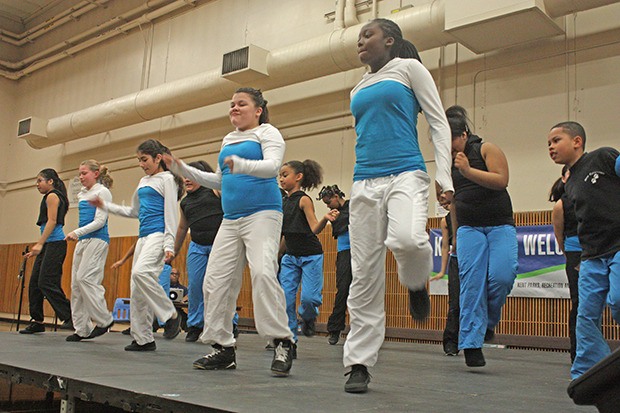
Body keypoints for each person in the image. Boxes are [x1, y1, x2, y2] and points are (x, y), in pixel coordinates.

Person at [343, 18, 454, 393]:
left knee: (408, 241)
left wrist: (445, 177)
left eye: (368, 34)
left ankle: (414, 280)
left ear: (390, 40)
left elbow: (438, 123)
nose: (360, 40)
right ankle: (358, 362)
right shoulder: (358, 86)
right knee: (365, 273)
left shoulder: (409, 69)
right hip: (363, 182)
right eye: (358, 36)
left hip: (406, 172)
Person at [165, 87, 295, 377]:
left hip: (263, 213)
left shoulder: (268, 133)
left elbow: (272, 166)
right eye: (232, 105)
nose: (234, 108)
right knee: (214, 282)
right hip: (232, 218)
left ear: (258, 110)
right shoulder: (228, 139)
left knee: (262, 272)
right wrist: (182, 168)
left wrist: (242, 164)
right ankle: (223, 348)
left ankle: (282, 341)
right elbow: (220, 180)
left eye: (241, 104)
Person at [91, 139, 182, 351]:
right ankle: (143, 339)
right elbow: (133, 211)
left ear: (158, 158)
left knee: (142, 273)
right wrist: (105, 205)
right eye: (139, 160)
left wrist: (169, 244)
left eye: (145, 159)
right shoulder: (143, 182)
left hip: (158, 236)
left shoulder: (167, 179)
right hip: (143, 238)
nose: (142, 164)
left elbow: (171, 213)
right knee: (137, 288)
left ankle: (170, 315)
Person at [547, 121, 620, 380]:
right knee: (585, 316)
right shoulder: (569, 181)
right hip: (591, 256)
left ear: (577, 141)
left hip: (618, 247)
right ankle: (588, 372)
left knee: (618, 300)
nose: (551, 147)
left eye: (556, 140)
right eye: (548, 144)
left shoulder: (604, 157)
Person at [446, 105, 518, 368]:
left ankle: (486, 323)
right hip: (468, 228)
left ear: (463, 134)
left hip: (499, 224)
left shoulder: (486, 149)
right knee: (472, 284)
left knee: (503, 275)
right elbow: (451, 201)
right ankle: (471, 344)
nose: (449, 147)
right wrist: (454, 234)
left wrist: (467, 171)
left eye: (452, 140)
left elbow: (501, 180)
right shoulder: (446, 161)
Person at [171, 161, 224, 342]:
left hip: (219, 246)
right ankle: (195, 325)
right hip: (197, 246)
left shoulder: (215, 192)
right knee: (195, 286)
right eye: (185, 176)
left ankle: (228, 323)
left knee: (218, 286)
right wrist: (174, 251)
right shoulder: (185, 203)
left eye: (191, 175)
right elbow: (181, 228)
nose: (187, 179)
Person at [64, 160, 115, 341]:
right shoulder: (82, 194)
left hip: (97, 239)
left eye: (84, 173)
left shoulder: (103, 192)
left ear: (96, 173)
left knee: (85, 278)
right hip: (83, 241)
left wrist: (76, 232)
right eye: (79, 173)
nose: (81, 177)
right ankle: (81, 329)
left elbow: (100, 221)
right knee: (75, 286)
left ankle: (104, 319)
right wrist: (79, 236)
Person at [20, 168, 73, 334]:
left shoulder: (52, 196)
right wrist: (40, 247)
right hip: (48, 245)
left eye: (40, 181)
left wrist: (40, 244)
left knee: (46, 282)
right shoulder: (50, 196)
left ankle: (70, 316)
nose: (37, 184)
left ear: (50, 181)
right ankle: (37, 321)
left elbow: (52, 221)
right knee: (35, 283)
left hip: (55, 244)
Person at [278, 159, 324, 346]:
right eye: (279, 176)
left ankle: (308, 317)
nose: (281, 179)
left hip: (311, 256)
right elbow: (285, 234)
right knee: (286, 300)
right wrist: (276, 257)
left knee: (309, 299)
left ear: (298, 177)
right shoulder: (282, 202)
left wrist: (326, 219)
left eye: (285, 175)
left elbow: (314, 227)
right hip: (290, 258)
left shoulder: (304, 200)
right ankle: (290, 342)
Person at [549, 169, 581, 363]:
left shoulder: (594, 197)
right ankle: (576, 352)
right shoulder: (561, 205)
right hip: (575, 252)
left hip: (600, 249)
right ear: (564, 178)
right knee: (579, 302)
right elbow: (559, 237)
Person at [315, 185, 352, 346]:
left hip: (361, 251)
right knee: (343, 289)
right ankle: (335, 328)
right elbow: (338, 226)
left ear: (336, 196)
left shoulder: (353, 206)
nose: (328, 206)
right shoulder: (334, 215)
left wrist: (341, 218)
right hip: (344, 252)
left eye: (329, 202)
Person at [429, 210, 460, 356]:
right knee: (455, 303)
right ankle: (451, 342)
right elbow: (445, 246)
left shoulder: (469, 212)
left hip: (473, 258)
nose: (443, 201)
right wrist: (442, 271)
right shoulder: (445, 221)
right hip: (456, 259)